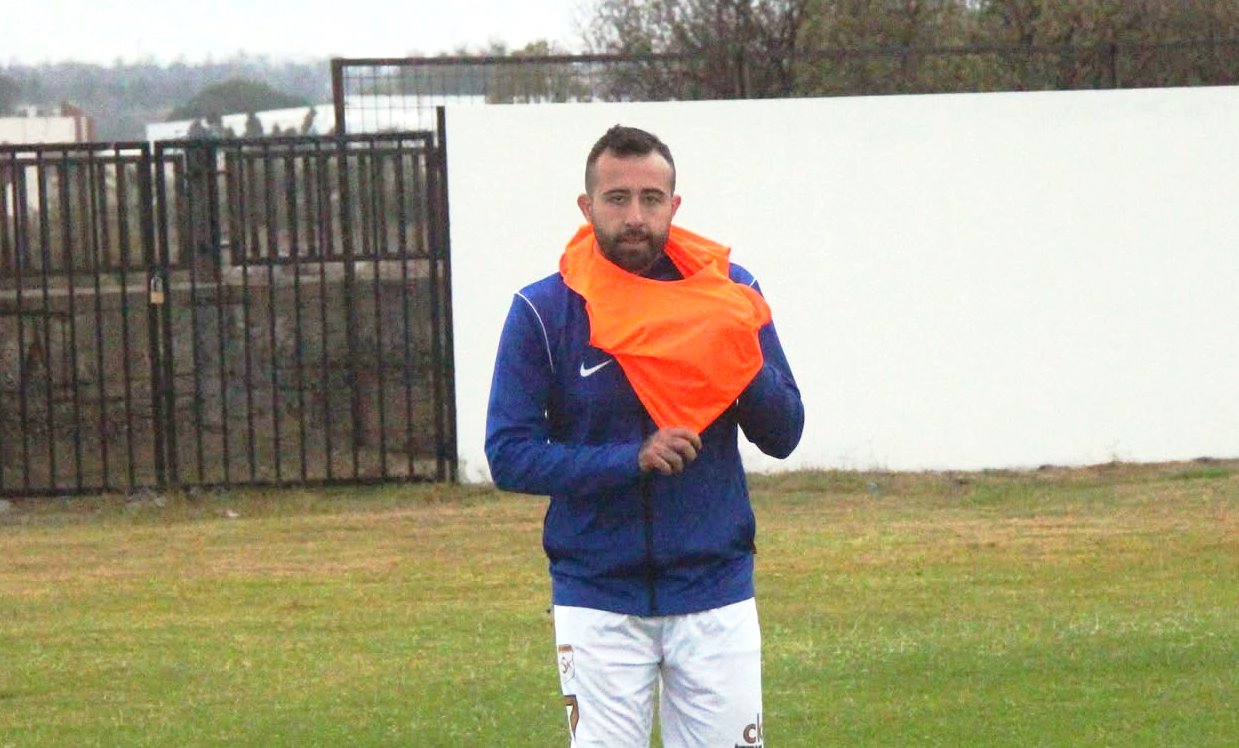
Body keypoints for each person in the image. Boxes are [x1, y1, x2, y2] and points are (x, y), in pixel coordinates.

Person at [485, 124, 803, 748]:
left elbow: (784, 433)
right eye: (618, 198)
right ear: (587, 207)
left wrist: (734, 350)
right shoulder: (544, 309)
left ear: (674, 206)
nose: (635, 216)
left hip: (714, 591)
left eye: (651, 198)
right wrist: (630, 459)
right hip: (597, 596)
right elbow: (510, 456)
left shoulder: (730, 292)